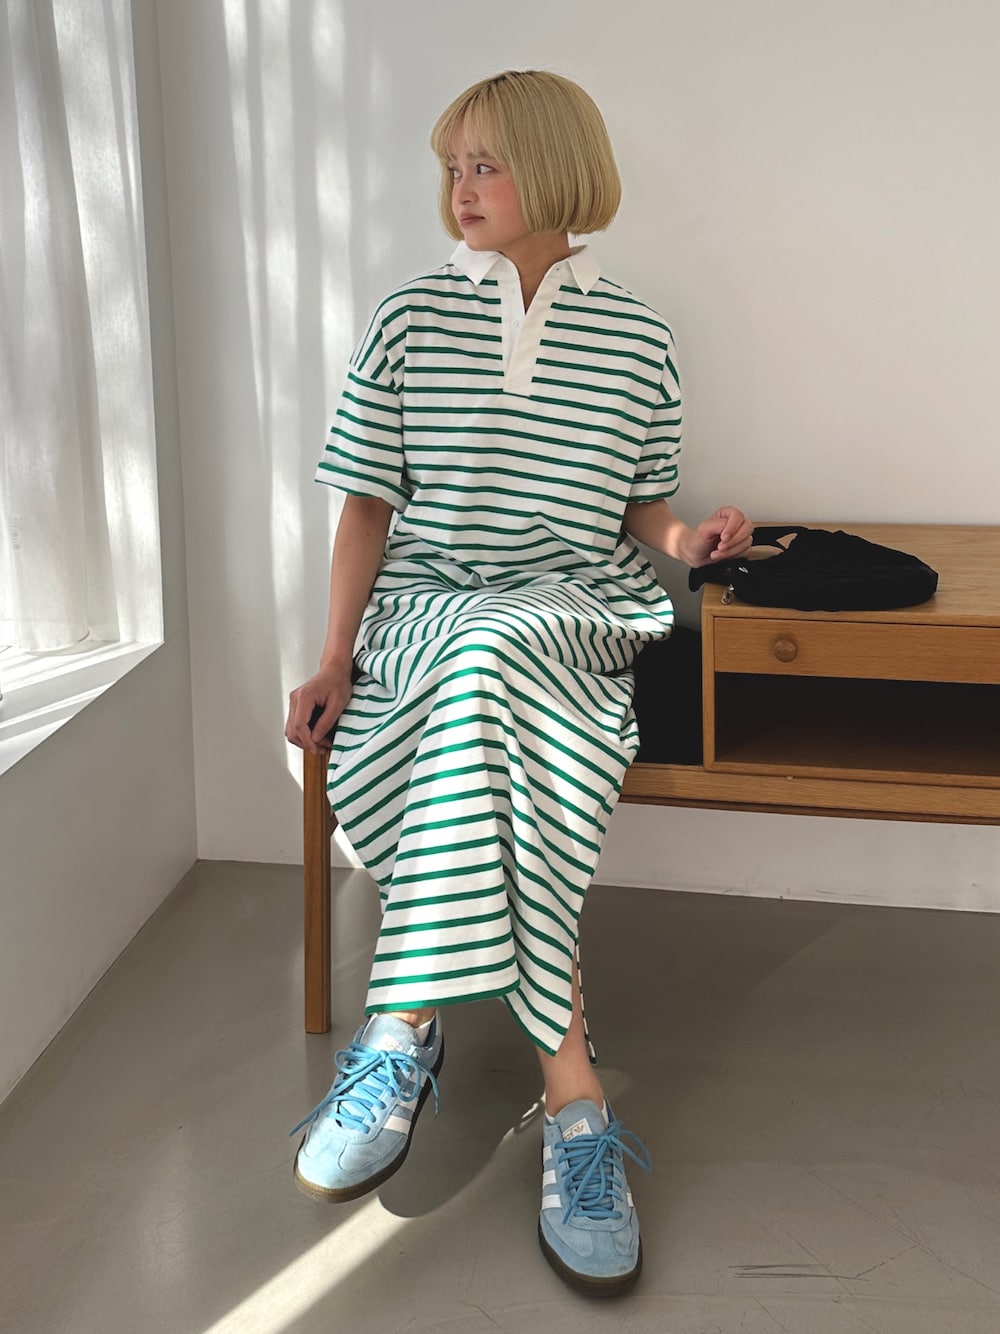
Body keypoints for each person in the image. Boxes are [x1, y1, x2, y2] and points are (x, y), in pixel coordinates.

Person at [285, 69, 752, 1296]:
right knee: (477, 670)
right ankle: (574, 1096)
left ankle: (404, 1023)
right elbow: (365, 504)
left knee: (494, 659)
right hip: (427, 611)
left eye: (484, 163)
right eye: (452, 167)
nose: (460, 188)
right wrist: (333, 656)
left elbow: (643, 504)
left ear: (552, 166)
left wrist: (692, 540)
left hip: (570, 609)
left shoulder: (637, 334)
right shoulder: (407, 318)